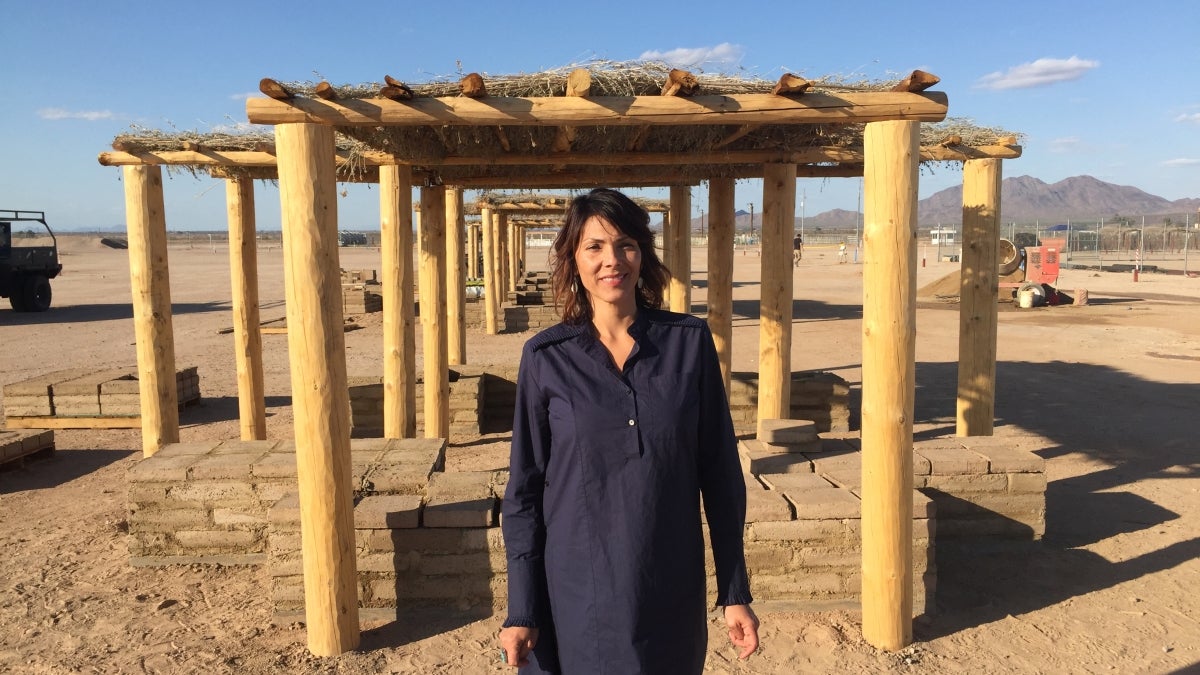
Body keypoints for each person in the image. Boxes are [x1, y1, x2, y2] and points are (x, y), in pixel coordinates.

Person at [499, 188, 759, 673]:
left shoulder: (688, 343)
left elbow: (722, 478)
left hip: (668, 582)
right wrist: (522, 608)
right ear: (572, 259)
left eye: (626, 245)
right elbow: (524, 494)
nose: (611, 260)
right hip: (575, 588)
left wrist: (733, 591)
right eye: (594, 246)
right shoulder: (546, 358)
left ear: (643, 253)